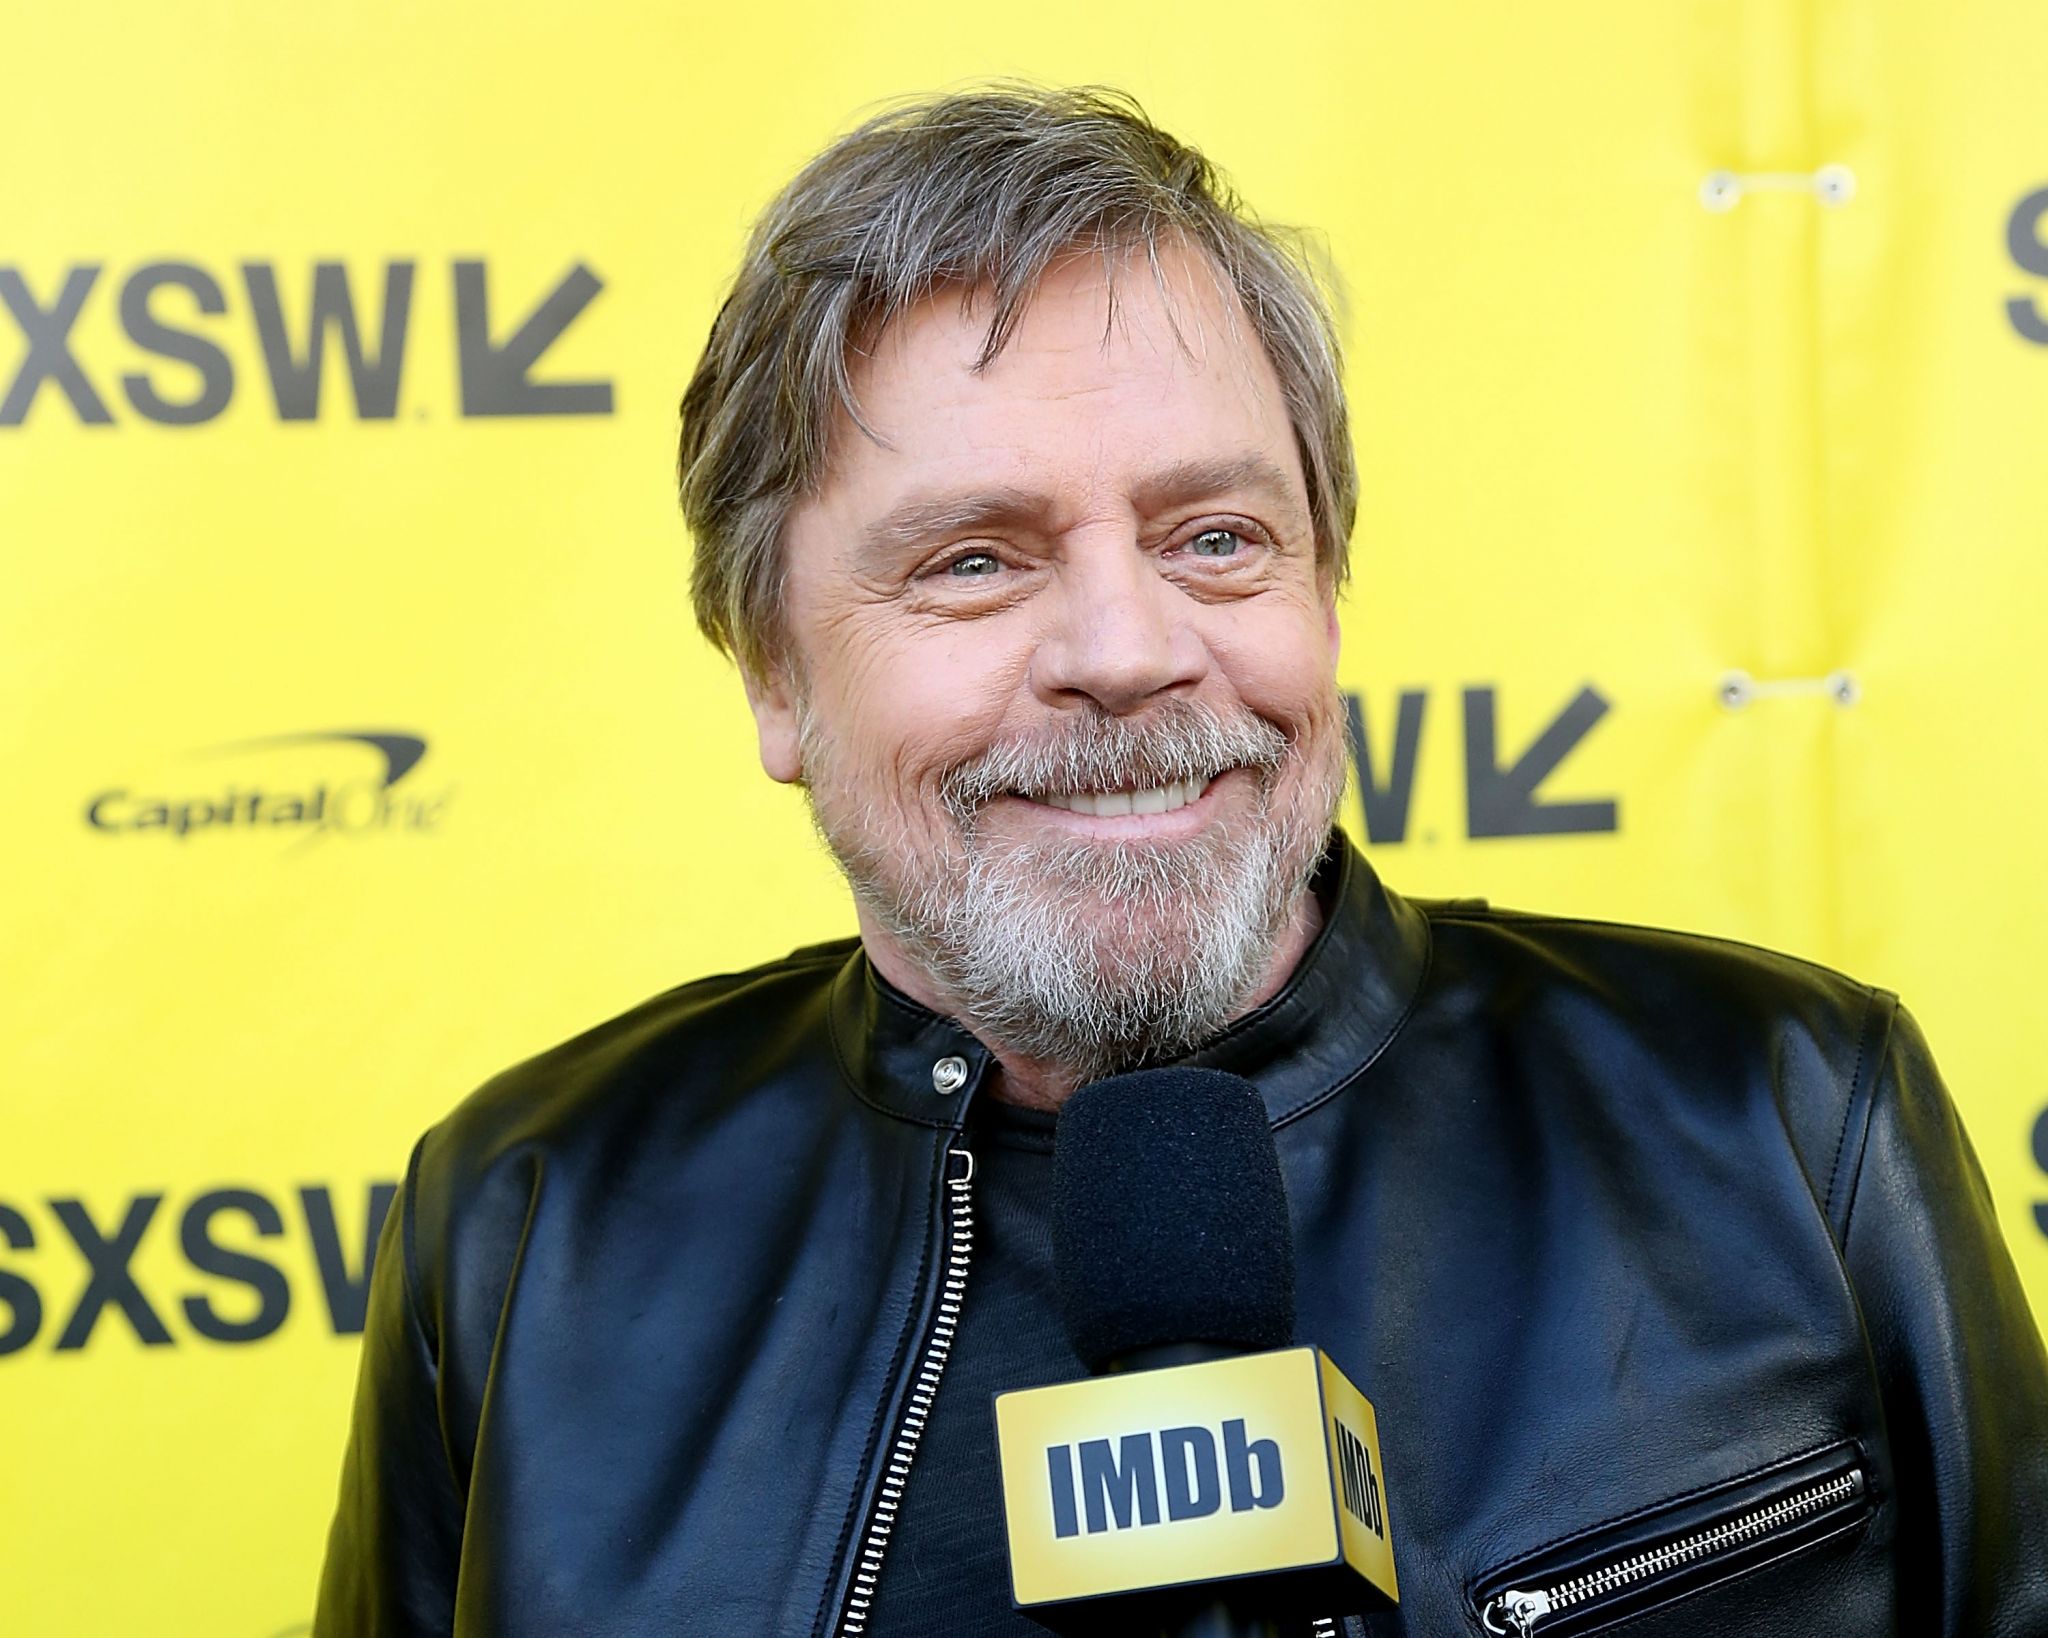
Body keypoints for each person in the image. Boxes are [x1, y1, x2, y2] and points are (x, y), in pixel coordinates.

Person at [314, 86, 2048, 1636]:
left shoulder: (1785, 1115)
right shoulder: (526, 1221)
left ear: (1324, 590)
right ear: (774, 673)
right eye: (978, 562)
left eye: (1216, 537)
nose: (1130, 649)